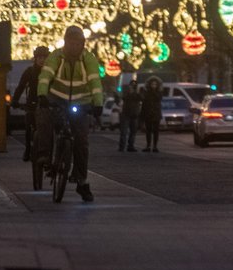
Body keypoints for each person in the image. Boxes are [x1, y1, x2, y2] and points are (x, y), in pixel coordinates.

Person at [35, 25, 103, 203]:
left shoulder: (89, 59)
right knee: (45, 120)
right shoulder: (55, 57)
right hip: (57, 100)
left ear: (82, 44)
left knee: (81, 141)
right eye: (70, 43)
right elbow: (45, 76)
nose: (74, 46)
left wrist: (98, 105)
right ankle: (45, 156)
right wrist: (42, 94)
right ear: (65, 43)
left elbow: (95, 83)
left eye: (77, 43)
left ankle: (81, 180)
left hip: (81, 103)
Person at [12, 46, 48, 161]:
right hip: (32, 103)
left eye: (44, 57)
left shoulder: (51, 72)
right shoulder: (30, 71)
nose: (42, 60)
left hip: (47, 104)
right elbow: (21, 86)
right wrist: (15, 100)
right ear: (35, 58)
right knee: (28, 125)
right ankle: (27, 149)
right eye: (39, 57)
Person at [141, 77, 163, 152]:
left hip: (156, 114)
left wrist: (154, 91)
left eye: (155, 84)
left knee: (156, 131)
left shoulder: (159, 92)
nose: (154, 86)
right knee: (148, 131)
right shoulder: (146, 93)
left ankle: (155, 146)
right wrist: (142, 115)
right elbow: (144, 103)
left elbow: (159, 98)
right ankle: (148, 145)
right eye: (152, 84)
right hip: (148, 114)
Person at [119, 80, 142, 152]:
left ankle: (130, 146)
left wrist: (137, 92)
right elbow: (123, 97)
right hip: (126, 114)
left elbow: (141, 98)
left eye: (134, 85)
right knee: (124, 132)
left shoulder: (138, 93)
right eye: (132, 85)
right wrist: (130, 92)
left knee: (133, 132)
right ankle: (122, 146)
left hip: (134, 114)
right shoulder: (127, 92)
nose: (133, 86)